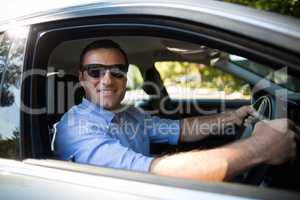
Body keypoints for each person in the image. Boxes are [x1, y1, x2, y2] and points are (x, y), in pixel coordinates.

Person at [54, 40, 296, 181]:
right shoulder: (76, 128)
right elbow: (152, 172)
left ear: (125, 78)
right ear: (82, 77)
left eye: (116, 71)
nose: (107, 80)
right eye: (96, 71)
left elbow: (180, 129)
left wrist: (231, 117)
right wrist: (258, 148)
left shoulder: (129, 115)